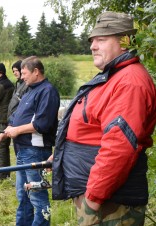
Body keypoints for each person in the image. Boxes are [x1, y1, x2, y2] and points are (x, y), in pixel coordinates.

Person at [50, 11, 156, 225]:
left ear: (124, 43)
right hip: (100, 200)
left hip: (111, 206)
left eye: (101, 39)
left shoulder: (129, 82)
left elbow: (119, 147)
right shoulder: (113, 76)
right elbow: (88, 128)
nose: (92, 46)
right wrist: (61, 156)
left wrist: (93, 200)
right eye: (92, 40)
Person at [0, 56, 60, 226]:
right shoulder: (29, 90)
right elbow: (16, 118)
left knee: (37, 197)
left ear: (36, 72)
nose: (21, 77)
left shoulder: (48, 91)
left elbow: (42, 124)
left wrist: (16, 130)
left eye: (24, 73)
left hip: (36, 151)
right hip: (22, 150)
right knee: (23, 196)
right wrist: (4, 134)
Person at [7, 60, 29, 155]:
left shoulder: (26, 85)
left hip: (20, 124)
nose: (15, 73)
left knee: (21, 153)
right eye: (13, 71)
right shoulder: (18, 84)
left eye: (16, 70)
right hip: (13, 123)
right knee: (18, 154)